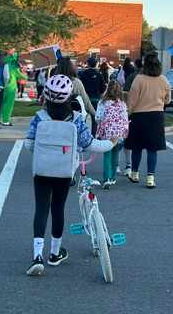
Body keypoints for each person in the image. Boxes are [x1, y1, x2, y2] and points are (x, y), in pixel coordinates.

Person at [24, 75, 119, 276]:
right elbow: (90, 144)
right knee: (58, 209)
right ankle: (55, 253)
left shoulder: (39, 118)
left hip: (41, 170)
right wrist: (111, 142)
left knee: (41, 209)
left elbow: (29, 144)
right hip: (64, 171)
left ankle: (37, 256)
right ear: (69, 97)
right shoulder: (76, 120)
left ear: (47, 97)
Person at [125, 51, 171, 188]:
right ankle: (150, 177)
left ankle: (135, 173)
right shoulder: (163, 80)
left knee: (137, 147)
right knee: (153, 149)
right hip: (156, 116)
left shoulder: (139, 79)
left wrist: (128, 113)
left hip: (139, 116)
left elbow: (132, 100)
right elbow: (168, 99)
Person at [96, 80, 129, 189]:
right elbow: (125, 119)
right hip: (118, 133)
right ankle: (113, 176)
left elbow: (98, 118)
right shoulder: (122, 103)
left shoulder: (103, 103)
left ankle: (107, 178)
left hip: (107, 133)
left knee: (107, 154)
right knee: (115, 154)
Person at [121, 58, 143, 176]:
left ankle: (120, 166)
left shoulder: (132, 76)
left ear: (135, 65)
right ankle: (129, 166)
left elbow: (126, 90)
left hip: (132, 109)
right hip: (144, 109)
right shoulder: (146, 77)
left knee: (124, 139)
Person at [78, 57, 106, 137]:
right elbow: (103, 89)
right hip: (96, 100)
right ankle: (93, 136)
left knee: (84, 119)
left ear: (88, 64)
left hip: (85, 99)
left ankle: (83, 136)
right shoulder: (99, 75)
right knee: (94, 120)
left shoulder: (83, 75)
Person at [0, 52, 28, 126]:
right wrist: (26, 77)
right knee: (9, 103)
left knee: (1, 103)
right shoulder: (13, 66)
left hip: (2, 86)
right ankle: (6, 120)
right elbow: (20, 75)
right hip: (11, 87)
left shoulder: (3, 63)